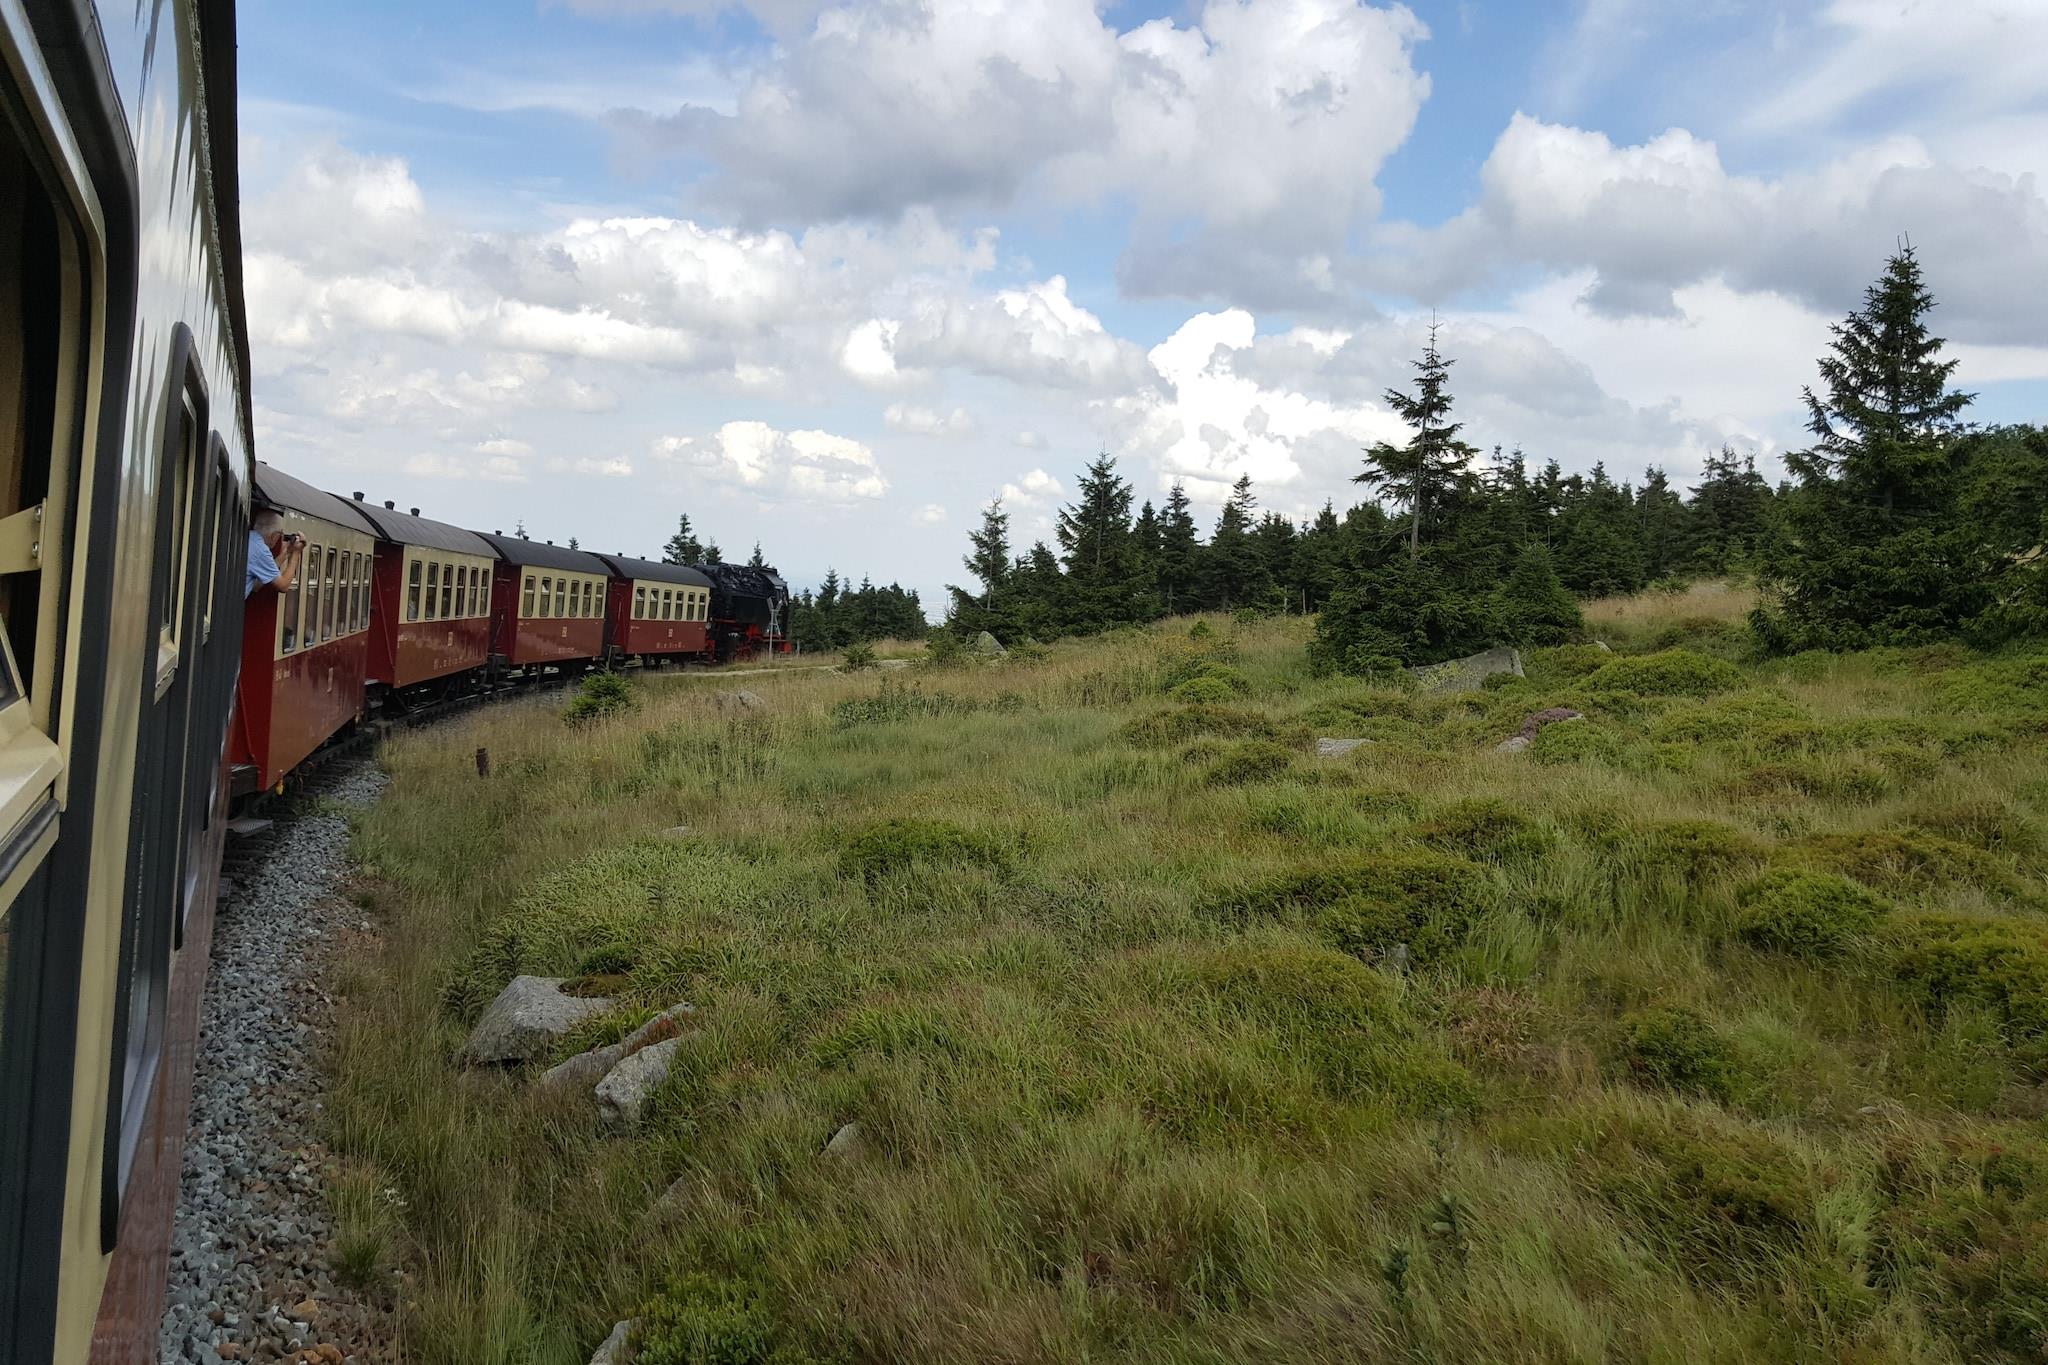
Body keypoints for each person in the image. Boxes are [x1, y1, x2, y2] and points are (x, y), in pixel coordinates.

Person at [246, 506, 305, 598]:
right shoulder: (260, 550)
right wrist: (296, 553)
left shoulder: (249, 539)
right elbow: (283, 586)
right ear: (274, 536)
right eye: (280, 534)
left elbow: (256, 586)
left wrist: (287, 553)